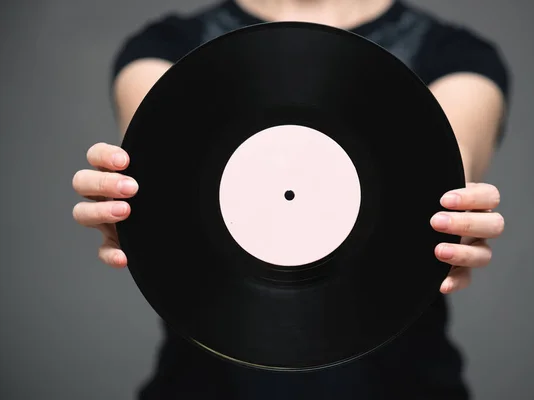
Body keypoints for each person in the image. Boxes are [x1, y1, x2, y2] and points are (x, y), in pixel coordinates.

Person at [71, 0, 509, 398]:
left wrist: (457, 217)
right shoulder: (165, 47)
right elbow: (160, 162)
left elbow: (449, 157)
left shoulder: (456, 55)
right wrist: (129, 202)